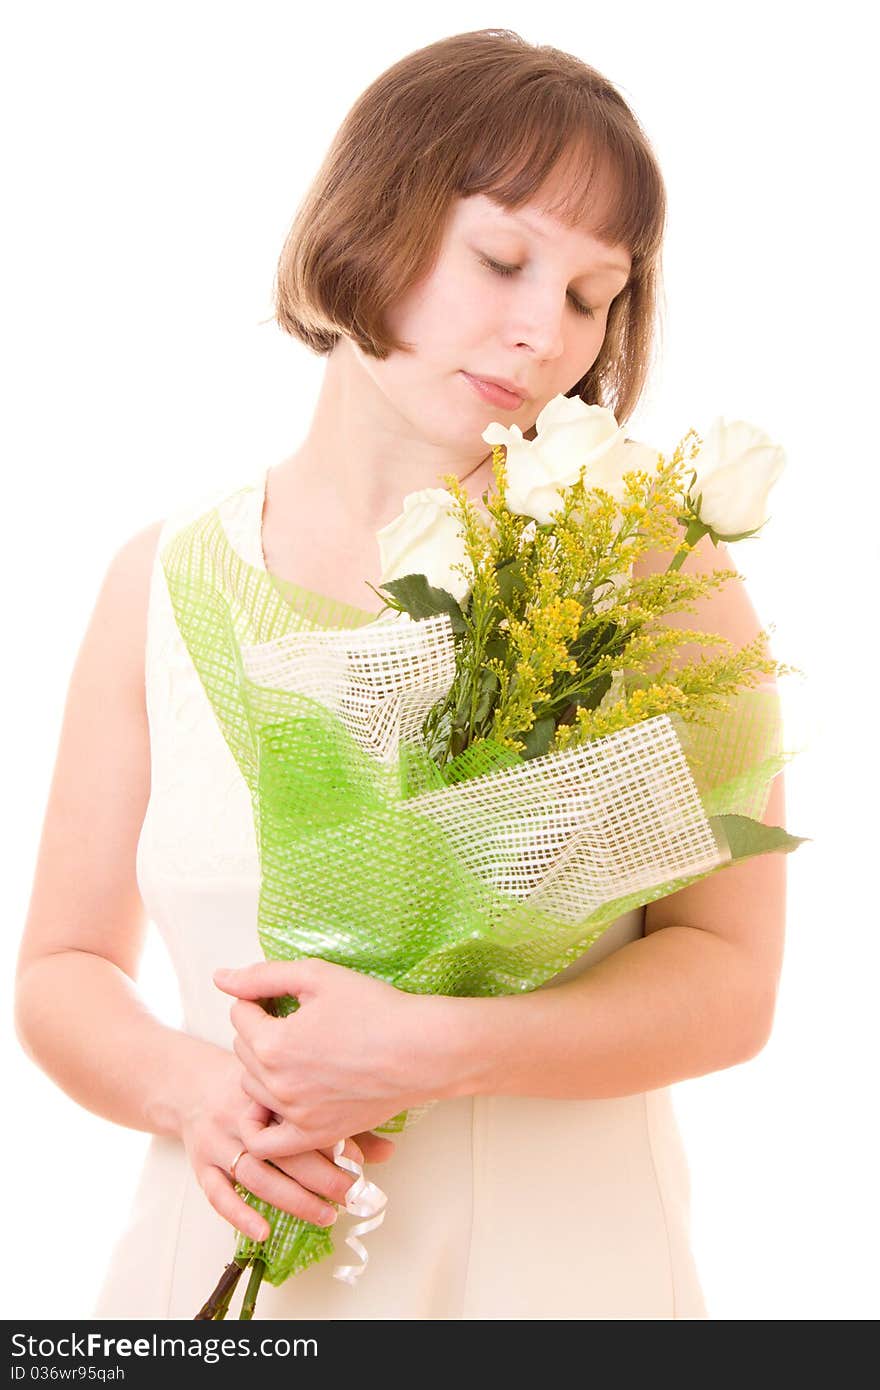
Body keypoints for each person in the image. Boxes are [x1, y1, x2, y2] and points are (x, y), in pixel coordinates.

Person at [14, 28, 786, 1320]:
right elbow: (62, 968)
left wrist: (439, 1046)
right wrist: (199, 1094)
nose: (545, 331)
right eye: (501, 259)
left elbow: (731, 977)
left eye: (594, 294)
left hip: (562, 1291)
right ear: (376, 217)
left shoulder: (654, 576)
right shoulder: (159, 579)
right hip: (215, 1283)